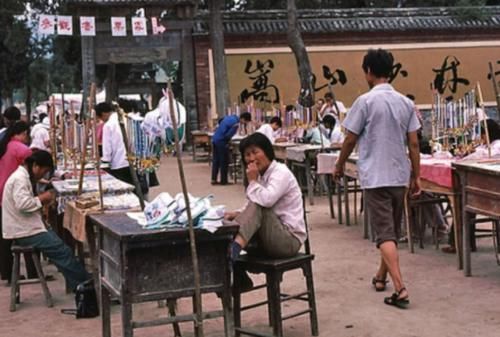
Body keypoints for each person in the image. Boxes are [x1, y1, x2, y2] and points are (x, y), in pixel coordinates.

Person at [333, 48, 421, 309]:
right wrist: (417, 175)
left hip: (376, 175)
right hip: (398, 175)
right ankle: (380, 277)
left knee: (384, 235)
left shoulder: (365, 102)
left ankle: (400, 288)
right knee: (390, 232)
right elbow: (414, 144)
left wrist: (338, 164)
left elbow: (350, 138)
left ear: (368, 71)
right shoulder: (406, 103)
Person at [224, 133, 306, 286]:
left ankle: (232, 255)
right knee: (228, 221)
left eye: (255, 152)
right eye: (247, 155)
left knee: (260, 205)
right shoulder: (261, 176)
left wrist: (253, 181)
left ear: (267, 152)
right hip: (267, 239)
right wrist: (233, 214)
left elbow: (265, 201)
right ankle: (236, 270)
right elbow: (251, 208)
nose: (251, 158)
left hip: (288, 241)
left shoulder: (280, 172)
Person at [2, 151, 90, 291]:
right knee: (63, 252)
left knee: (62, 249)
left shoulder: (23, 176)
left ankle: (80, 282)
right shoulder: (20, 179)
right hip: (23, 230)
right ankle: (85, 286)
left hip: (25, 225)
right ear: (36, 166)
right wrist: (43, 198)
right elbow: (23, 204)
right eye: (44, 171)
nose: (43, 175)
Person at [0, 121, 37, 282]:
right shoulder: (22, 149)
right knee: (27, 228)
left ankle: (6, 272)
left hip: (2, 191)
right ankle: (32, 271)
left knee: (5, 236)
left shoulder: (5, 146)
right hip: (14, 193)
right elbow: (34, 168)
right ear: (22, 133)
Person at [96, 102, 134, 185]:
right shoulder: (127, 118)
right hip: (133, 160)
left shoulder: (108, 125)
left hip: (119, 163)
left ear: (103, 114)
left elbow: (107, 148)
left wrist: (105, 161)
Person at [211, 112, 252, 185]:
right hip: (221, 141)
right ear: (243, 119)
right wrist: (228, 142)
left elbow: (220, 122)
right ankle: (224, 181)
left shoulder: (230, 117)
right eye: (245, 122)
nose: (244, 123)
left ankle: (213, 179)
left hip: (215, 139)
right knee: (224, 161)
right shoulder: (235, 124)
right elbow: (228, 135)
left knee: (216, 160)